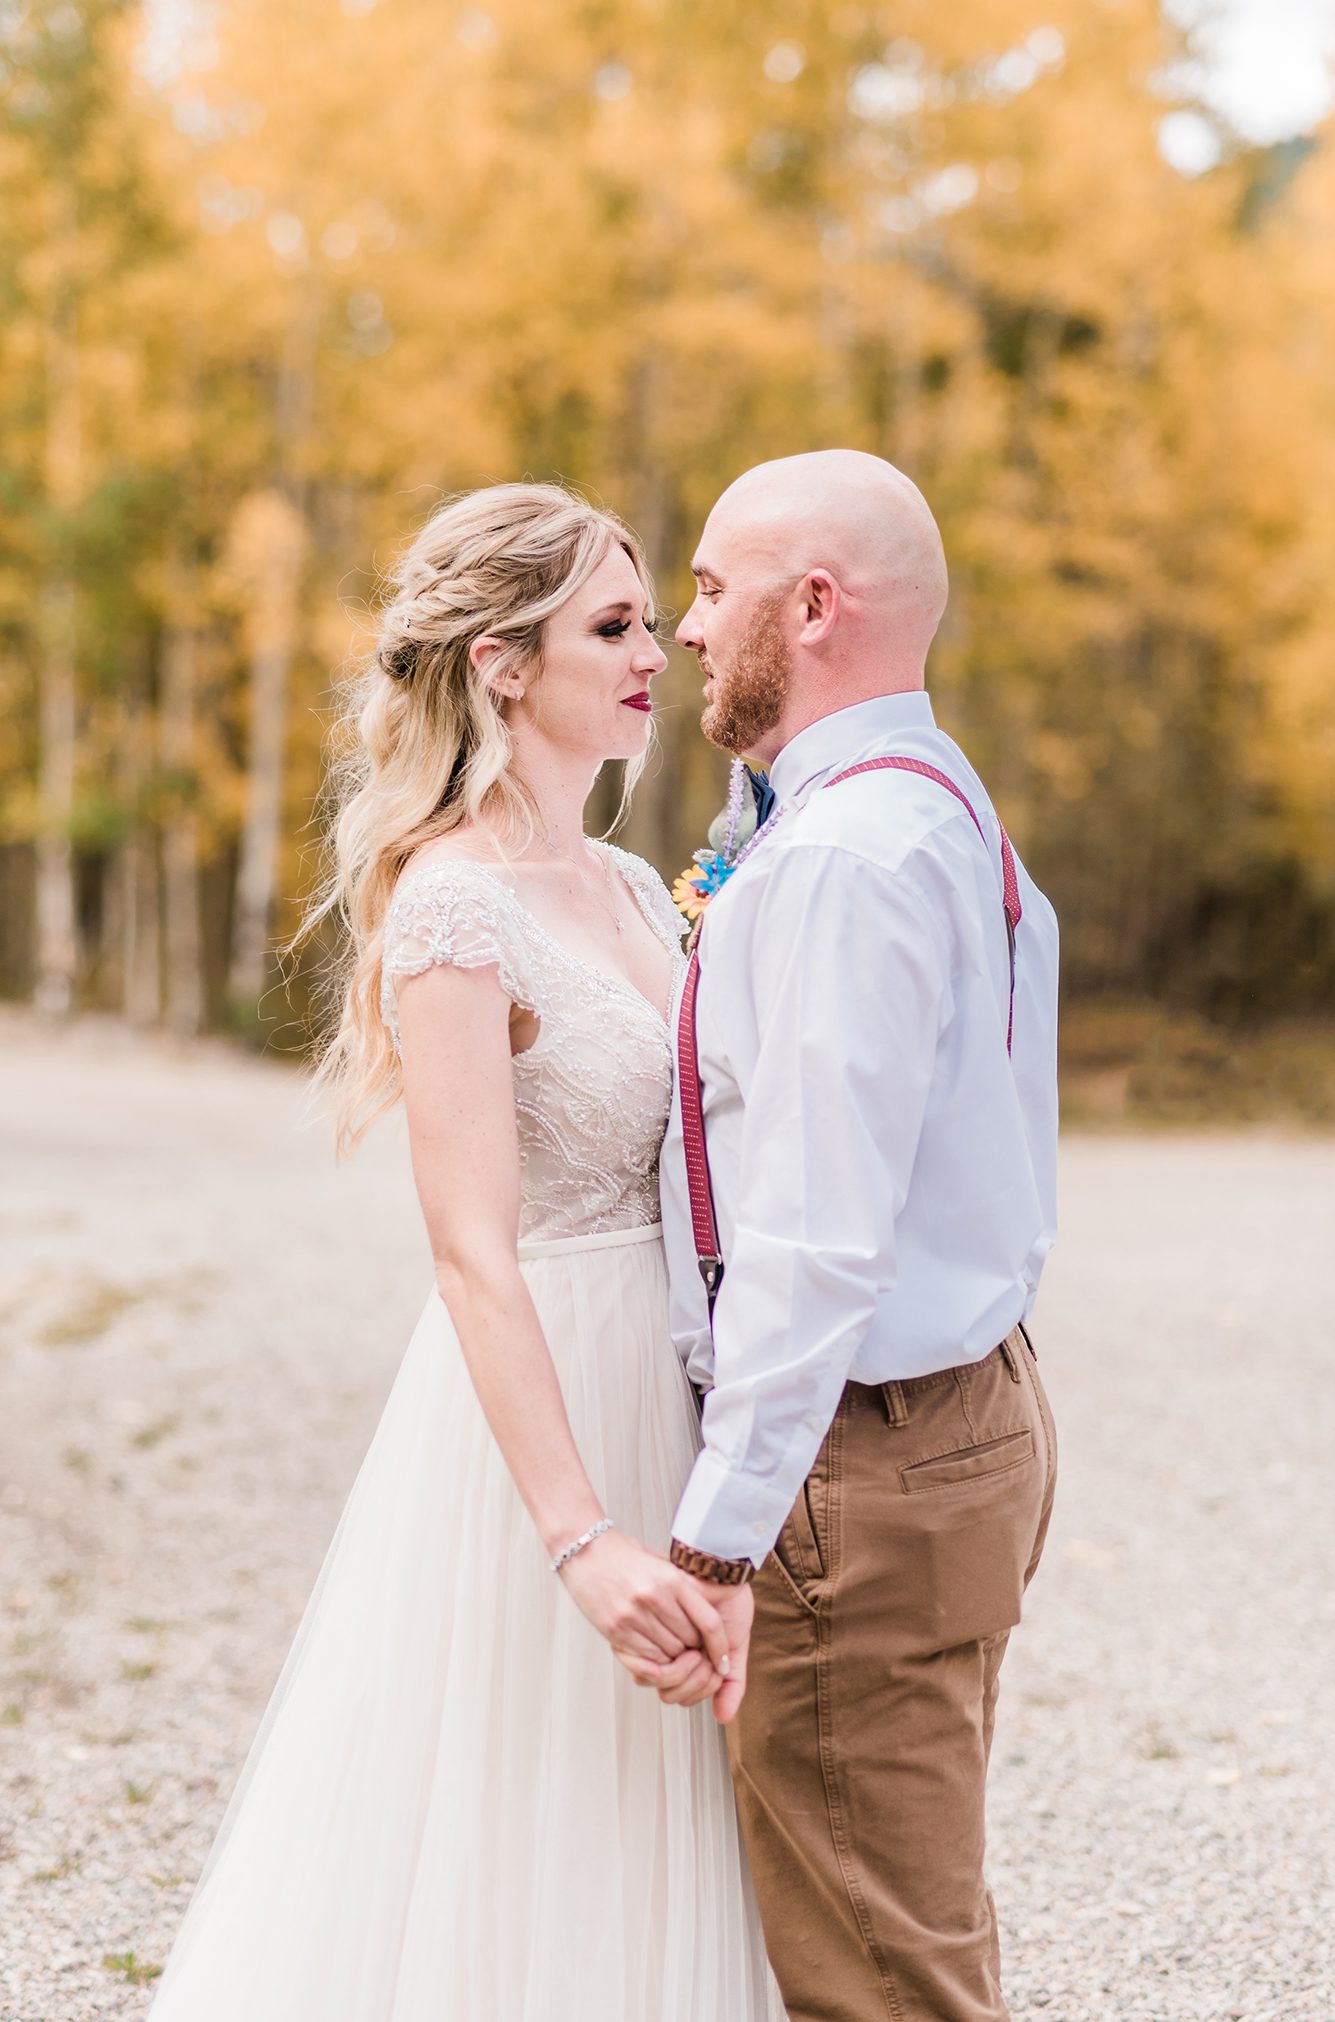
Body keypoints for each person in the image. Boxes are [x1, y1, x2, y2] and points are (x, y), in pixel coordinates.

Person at [146, 483, 786, 2022]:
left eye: (650, 622)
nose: (656, 656)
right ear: (502, 663)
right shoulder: (450, 910)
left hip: (677, 1380)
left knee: (666, 1825)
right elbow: (469, 1251)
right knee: (528, 1824)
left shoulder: (634, 886)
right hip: (548, 1411)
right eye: (614, 628)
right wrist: (582, 1538)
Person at [657, 450, 1060, 2022]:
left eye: (707, 587)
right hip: (958, 1423)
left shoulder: (840, 857)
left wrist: (717, 1530)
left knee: (883, 1980)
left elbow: (818, 1233)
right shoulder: (937, 805)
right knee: (904, 1924)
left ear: (811, 605)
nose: (688, 630)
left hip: (859, 1467)